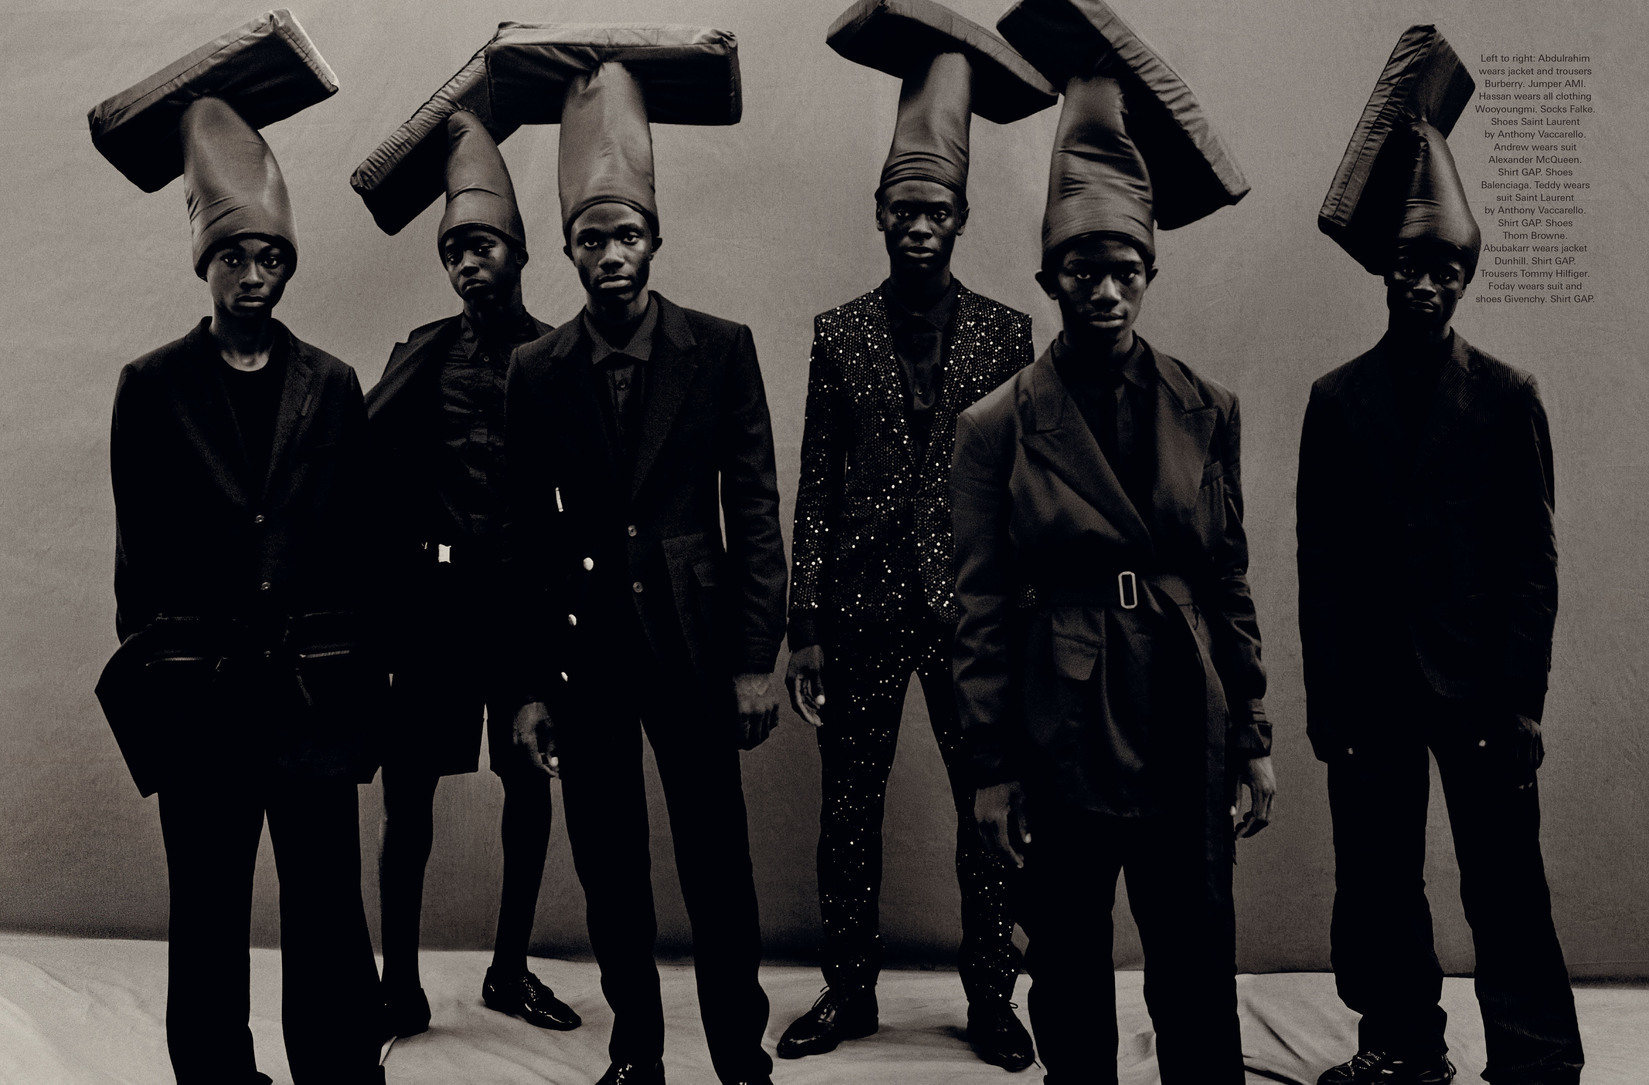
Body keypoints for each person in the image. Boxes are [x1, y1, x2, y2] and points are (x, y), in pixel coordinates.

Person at [951, 2, 1272, 1082]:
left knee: (1195, 947)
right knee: (1069, 958)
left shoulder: (1205, 406)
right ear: (1049, 277)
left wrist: (1251, 728)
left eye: (1124, 266)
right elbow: (979, 607)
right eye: (1081, 267)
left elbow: (1226, 574)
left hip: (1181, 700)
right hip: (1062, 712)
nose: (1103, 288)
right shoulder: (996, 426)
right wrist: (990, 771)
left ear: (1149, 272)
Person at [91, 17, 387, 1083]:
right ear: (204, 263)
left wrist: (356, 684)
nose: (253, 275)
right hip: (205, 698)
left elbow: (358, 544)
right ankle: (216, 1072)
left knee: (326, 905)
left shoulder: (332, 385)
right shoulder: (152, 387)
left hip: (311, 694)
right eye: (234, 257)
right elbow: (136, 558)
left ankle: (338, 1067)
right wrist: (167, 677)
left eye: (269, 257)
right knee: (209, 909)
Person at [496, 27, 786, 1085]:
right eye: (591, 240)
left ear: (653, 239)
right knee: (609, 862)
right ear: (569, 252)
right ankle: (636, 1053)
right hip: (586, 651)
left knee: (716, 860)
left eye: (625, 235)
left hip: (695, 645)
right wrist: (527, 684)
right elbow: (521, 535)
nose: (610, 254)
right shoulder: (538, 370)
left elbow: (754, 510)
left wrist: (753, 657)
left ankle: (738, 1053)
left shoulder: (719, 349)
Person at [1302, 26, 1583, 1085]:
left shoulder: (1505, 397)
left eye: (1445, 270)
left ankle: (1534, 1058)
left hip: (1478, 686)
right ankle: (1400, 1045)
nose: (1425, 285)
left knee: (1504, 879)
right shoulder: (1337, 401)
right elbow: (1321, 564)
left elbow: (1531, 562)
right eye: (1411, 267)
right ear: (1387, 269)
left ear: (1464, 278)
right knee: (1377, 880)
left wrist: (1521, 699)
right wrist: (1328, 701)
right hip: (1372, 687)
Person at [778, 0, 1054, 1069]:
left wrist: (1019, 617)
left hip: (970, 612)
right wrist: (803, 623)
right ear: (880, 213)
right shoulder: (838, 332)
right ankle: (847, 991)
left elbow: (1022, 489)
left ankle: (991, 997)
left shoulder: (1005, 334)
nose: (919, 225)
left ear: (960, 215)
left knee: (988, 806)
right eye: (903, 208)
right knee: (847, 811)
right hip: (855, 607)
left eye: (936, 209)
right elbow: (814, 484)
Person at [361, 109, 575, 1038]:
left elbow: (586, 491)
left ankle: (509, 969)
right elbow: (357, 469)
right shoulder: (423, 354)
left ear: (517, 252)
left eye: (480, 246)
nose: (466, 264)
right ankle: (397, 986)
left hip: (524, 611)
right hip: (433, 612)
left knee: (528, 788)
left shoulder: (558, 355)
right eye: (453, 252)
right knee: (407, 798)